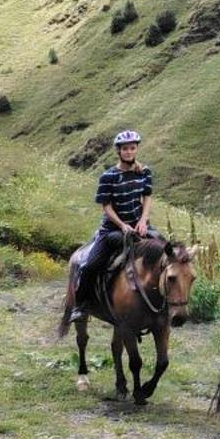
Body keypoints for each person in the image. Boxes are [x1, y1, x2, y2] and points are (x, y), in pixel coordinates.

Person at [68, 130, 153, 324]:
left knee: (167, 251)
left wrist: (143, 220)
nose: (129, 152)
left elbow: (147, 196)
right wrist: (122, 225)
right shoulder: (108, 176)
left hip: (138, 225)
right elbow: (106, 207)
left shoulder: (144, 172)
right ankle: (81, 306)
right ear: (119, 151)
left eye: (132, 148)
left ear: (136, 149)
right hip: (113, 230)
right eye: (125, 149)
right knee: (89, 266)